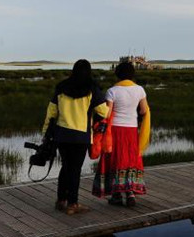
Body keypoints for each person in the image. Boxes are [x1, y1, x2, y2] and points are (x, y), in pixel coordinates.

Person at [41, 60, 109, 215]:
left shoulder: (62, 87)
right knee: (75, 170)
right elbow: (104, 112)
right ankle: (73, 204)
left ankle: (61, 200)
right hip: (81, 136)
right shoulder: (92, 87)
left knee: (66, 166)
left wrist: (46, 133)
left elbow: (51, 112)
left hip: (62, 134)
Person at [93, 61, 151, 207]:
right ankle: (130, 192)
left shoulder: (112, 91)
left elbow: (107, 113)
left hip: (115, 129)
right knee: (130, 158)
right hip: (131, 129)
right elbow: (144, 110)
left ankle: (117, 194)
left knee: (114, 158)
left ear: (117, 74)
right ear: (132, 74)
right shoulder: (139, 90)